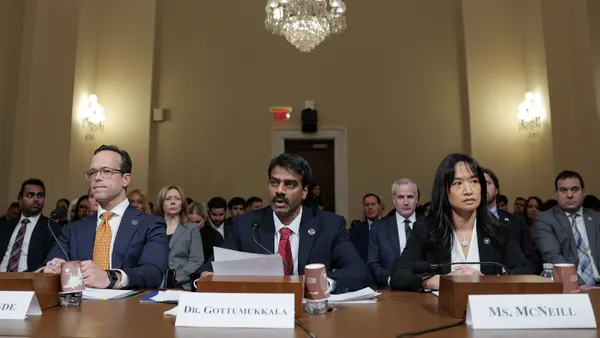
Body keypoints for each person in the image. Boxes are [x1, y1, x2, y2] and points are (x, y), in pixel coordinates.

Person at [193, 153, 370, 293]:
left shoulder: (329, 225)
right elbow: (208, 269)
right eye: (274, 182)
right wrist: (205, 278)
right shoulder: (246, 224)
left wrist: (318, 284)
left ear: (304, 192)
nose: (279, 190)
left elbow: (358, 271)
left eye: (290, 184)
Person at [390, 153, 531, 291]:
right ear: (444, 191)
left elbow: (525, 271)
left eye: (474, 181)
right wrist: (434, 281)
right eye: (458, 183)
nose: (468, 190)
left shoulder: (499, 231)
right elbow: (399, 276)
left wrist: (488, 281)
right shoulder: (426, 230)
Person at [44, 145, 169, 289]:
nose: (97, 178)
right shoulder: (73, 230)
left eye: (106, 171)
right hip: (78, 306)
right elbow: (52, 263)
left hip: (129, 308)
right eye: (92, 172)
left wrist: (110, 277)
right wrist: (53, 269)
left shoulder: (150, 225)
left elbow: (153, 272)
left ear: (125, 179)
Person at [534, 170, 600, 286]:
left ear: (584, 193)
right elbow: (553, 257)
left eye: (575, 189)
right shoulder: (545, 219)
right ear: (556, 194)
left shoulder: (596, 218)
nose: (569, 195)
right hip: (569, 287)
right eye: (563, 190)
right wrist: (580, 285)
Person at [0, 179, 61, 272]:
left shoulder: (52, 228)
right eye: (30, 195)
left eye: (40, 195)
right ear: (20, 200)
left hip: (29, 281)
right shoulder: (5, 226)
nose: (36, 199)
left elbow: (50, 263)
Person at [368, 178, 420, 288]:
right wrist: (392, 280)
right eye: (401, 197)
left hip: (422, 288)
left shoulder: (429, 225)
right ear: (393, 200)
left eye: (410, 197)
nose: (406, 202)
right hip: (390, 290)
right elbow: (373, 264)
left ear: (417, 199)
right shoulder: (378, 228)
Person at [155, 185, 203, 289]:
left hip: (180, 285)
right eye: (168, 199)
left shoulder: (191, 229)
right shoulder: (152, 228)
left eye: (177, 198)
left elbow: (196, 260)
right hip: (154, 284)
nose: (173, 202)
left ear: (182, 203)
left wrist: (175, 278)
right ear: (161, 203)